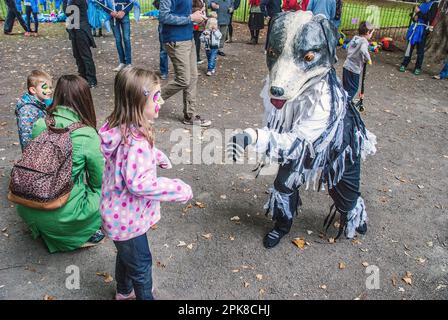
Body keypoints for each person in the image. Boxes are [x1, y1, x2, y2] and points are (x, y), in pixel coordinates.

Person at [99, 67, 193, 300]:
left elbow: (127, 159)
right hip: (127, 218)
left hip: (117, 215)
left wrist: (156, 156)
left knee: (126, 256)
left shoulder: (123, 127)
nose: (161, 101)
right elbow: (139, 184)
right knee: (141, 266)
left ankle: (123, 291)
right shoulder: (137, 142)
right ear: (137, 102)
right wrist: (178, 189)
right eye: (155, 97)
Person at [17, 75, 105, 253]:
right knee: (106, 191)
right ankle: (80, 233)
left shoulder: (40, 124)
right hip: (61, 215)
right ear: (85, 100)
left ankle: (44, 227)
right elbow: (99, 181)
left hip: (27, 204)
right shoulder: (87, 134)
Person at [159, 0, 212, 126]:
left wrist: (197, 16)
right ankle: (149, 101)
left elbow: (183, 13)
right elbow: (164, 16)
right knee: (183, 80)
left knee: (193, 77)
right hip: (176, 40)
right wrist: (190, 17)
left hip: (189, 38)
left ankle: (189, 116)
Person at [15, 70, 53, 151]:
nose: (49, 91)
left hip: (45, 147)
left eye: (50, 87)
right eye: (45, 87)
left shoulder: (44, 102)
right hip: (35, 153)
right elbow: (26, 137)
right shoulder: (26, 111)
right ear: (33, 90)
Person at [63, 0, 98, 88]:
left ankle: (91, 79)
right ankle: (82, 76)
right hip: (74, 27)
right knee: (77, 54)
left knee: (85, 55)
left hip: (81, 28)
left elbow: (67, 12)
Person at [399, 0, 438, 75]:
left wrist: (419, 12)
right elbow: (415, 17)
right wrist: (414, 17)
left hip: (423, 30)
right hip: (415, 28)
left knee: (420, 50)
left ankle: (417, 67)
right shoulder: (422, 4)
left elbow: (429, 18)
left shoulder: (434, 4)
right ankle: (404, 64)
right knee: (409, 47)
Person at [342, 21, 373, 103]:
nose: (371, 35)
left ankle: (344, 100)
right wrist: (368, 59)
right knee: (353, 89)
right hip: (354, 69)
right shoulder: (364, 41)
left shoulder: (355, 38)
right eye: (371, 33)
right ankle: (345, 105)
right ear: (367, 33)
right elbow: (363, 50)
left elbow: (347, 46)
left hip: (346, 66)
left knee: (346, 87)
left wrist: (351, 54)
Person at [99, 0, 134, 72]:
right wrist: (110, 12)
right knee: (118, 40)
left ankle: (129, 63)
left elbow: (132, 1)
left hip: (124, 15)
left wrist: (124, 11)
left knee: (126, 39)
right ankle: (122, 62)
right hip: (112, 16)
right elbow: (101, 2)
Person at [153, 0, 169, 80]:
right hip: (164, 24)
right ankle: (164, 72)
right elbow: (156, 4)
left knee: (179, 49)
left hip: (177, 24)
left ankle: (180, 71)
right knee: (163, 50)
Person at [193, 0, 207, 64]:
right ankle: (195, 59)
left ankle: (197, 58)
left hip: (201, 24)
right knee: (195, 41)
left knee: (198, 41)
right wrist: (201, 9)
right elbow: (190, 8)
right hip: (194, 23)